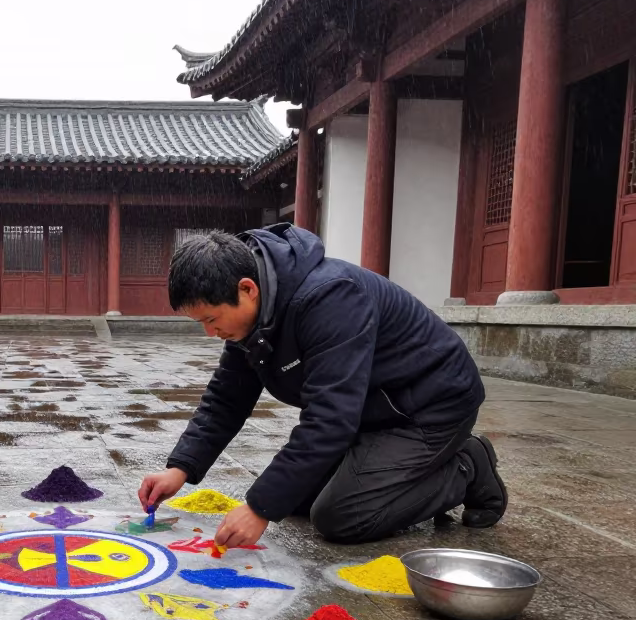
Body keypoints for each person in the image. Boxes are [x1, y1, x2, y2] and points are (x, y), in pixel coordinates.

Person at [138, 224, 507, 549]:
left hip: (430, 407)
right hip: (373, 410)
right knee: (297, 500)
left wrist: (258, 509)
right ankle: (397, 465)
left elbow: (329, 419)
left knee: (341, 516)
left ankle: (466, 467)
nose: (210, 332)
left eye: (211, 319)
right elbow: (226, 398)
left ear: (247, 289)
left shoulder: (331, 299)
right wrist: (180, 467)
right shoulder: (252, 319)